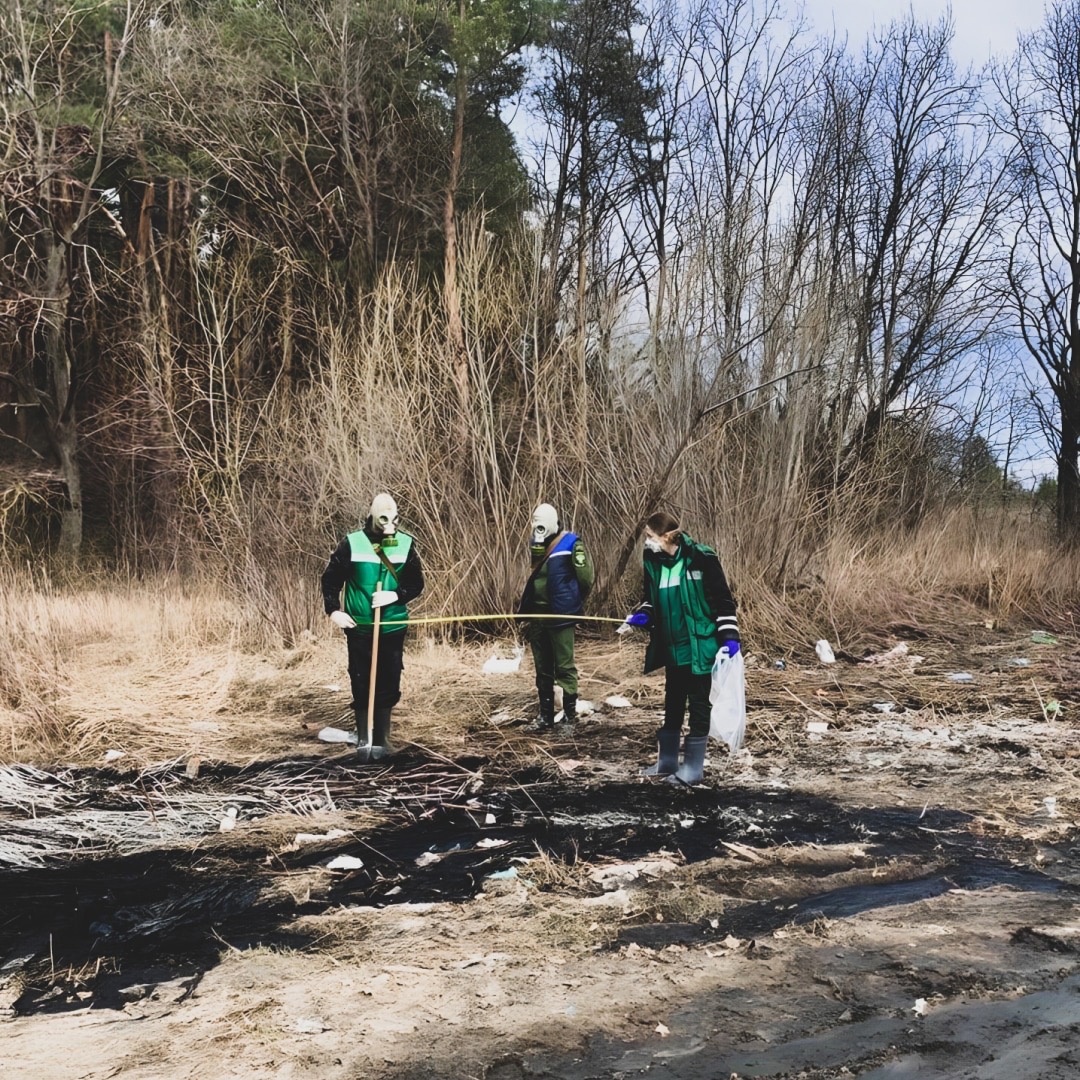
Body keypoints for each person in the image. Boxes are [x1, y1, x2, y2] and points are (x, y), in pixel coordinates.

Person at [622, 510, 740, 784]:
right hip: (672, 648)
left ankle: (693, 768)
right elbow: (650, 599)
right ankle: (667, 762)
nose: (647, 542)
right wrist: (645, 614)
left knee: (698, 704)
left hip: (699, 645)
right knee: (673, 702)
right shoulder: (654, 562)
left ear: (667, 536)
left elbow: (723, 599)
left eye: (650, 537)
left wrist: (730, 636)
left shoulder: (702, 558)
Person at [321, 492, 424, 760]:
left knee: (389, 680)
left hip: (392, 626)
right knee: (361, 680)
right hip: (360, 627)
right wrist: (334, 610)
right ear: (373, 518)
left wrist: (395, 595)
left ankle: (382, 739)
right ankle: (364, 739)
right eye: (384, 519)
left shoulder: (405, 544)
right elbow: (330, 579)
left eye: (395, 519)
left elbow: (416, 584)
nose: (391, 525)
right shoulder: (352, 544)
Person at [518, 502, 595, 731]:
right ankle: (545, 716)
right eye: (534, 521)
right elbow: (535, 568)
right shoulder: (538, 543)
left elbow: (586, 579)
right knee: (543, 668)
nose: (536, 526)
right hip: (537, 616)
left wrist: (571, 602)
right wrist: (538, 544)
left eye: (540, 521)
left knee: (564, 667)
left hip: (560, 616)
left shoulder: (572, 543)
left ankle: (570, 719)